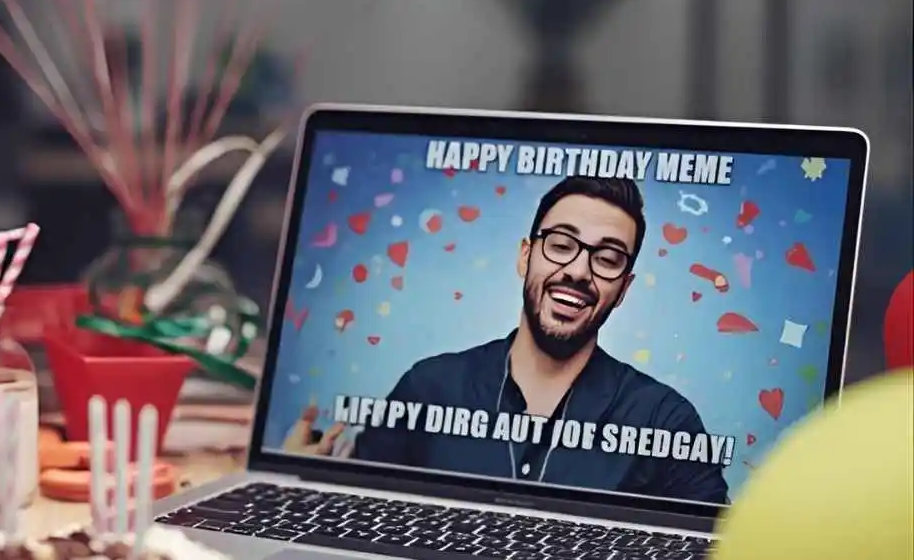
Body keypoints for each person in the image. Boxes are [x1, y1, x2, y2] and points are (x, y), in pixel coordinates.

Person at [282, 176, 730, 504]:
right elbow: (358, 510)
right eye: (560, 244)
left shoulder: (665, 421)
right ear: (525, 256)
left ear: (624, 289)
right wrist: (298, 485)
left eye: (607, 258)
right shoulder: (429, 386)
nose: (578, 271)